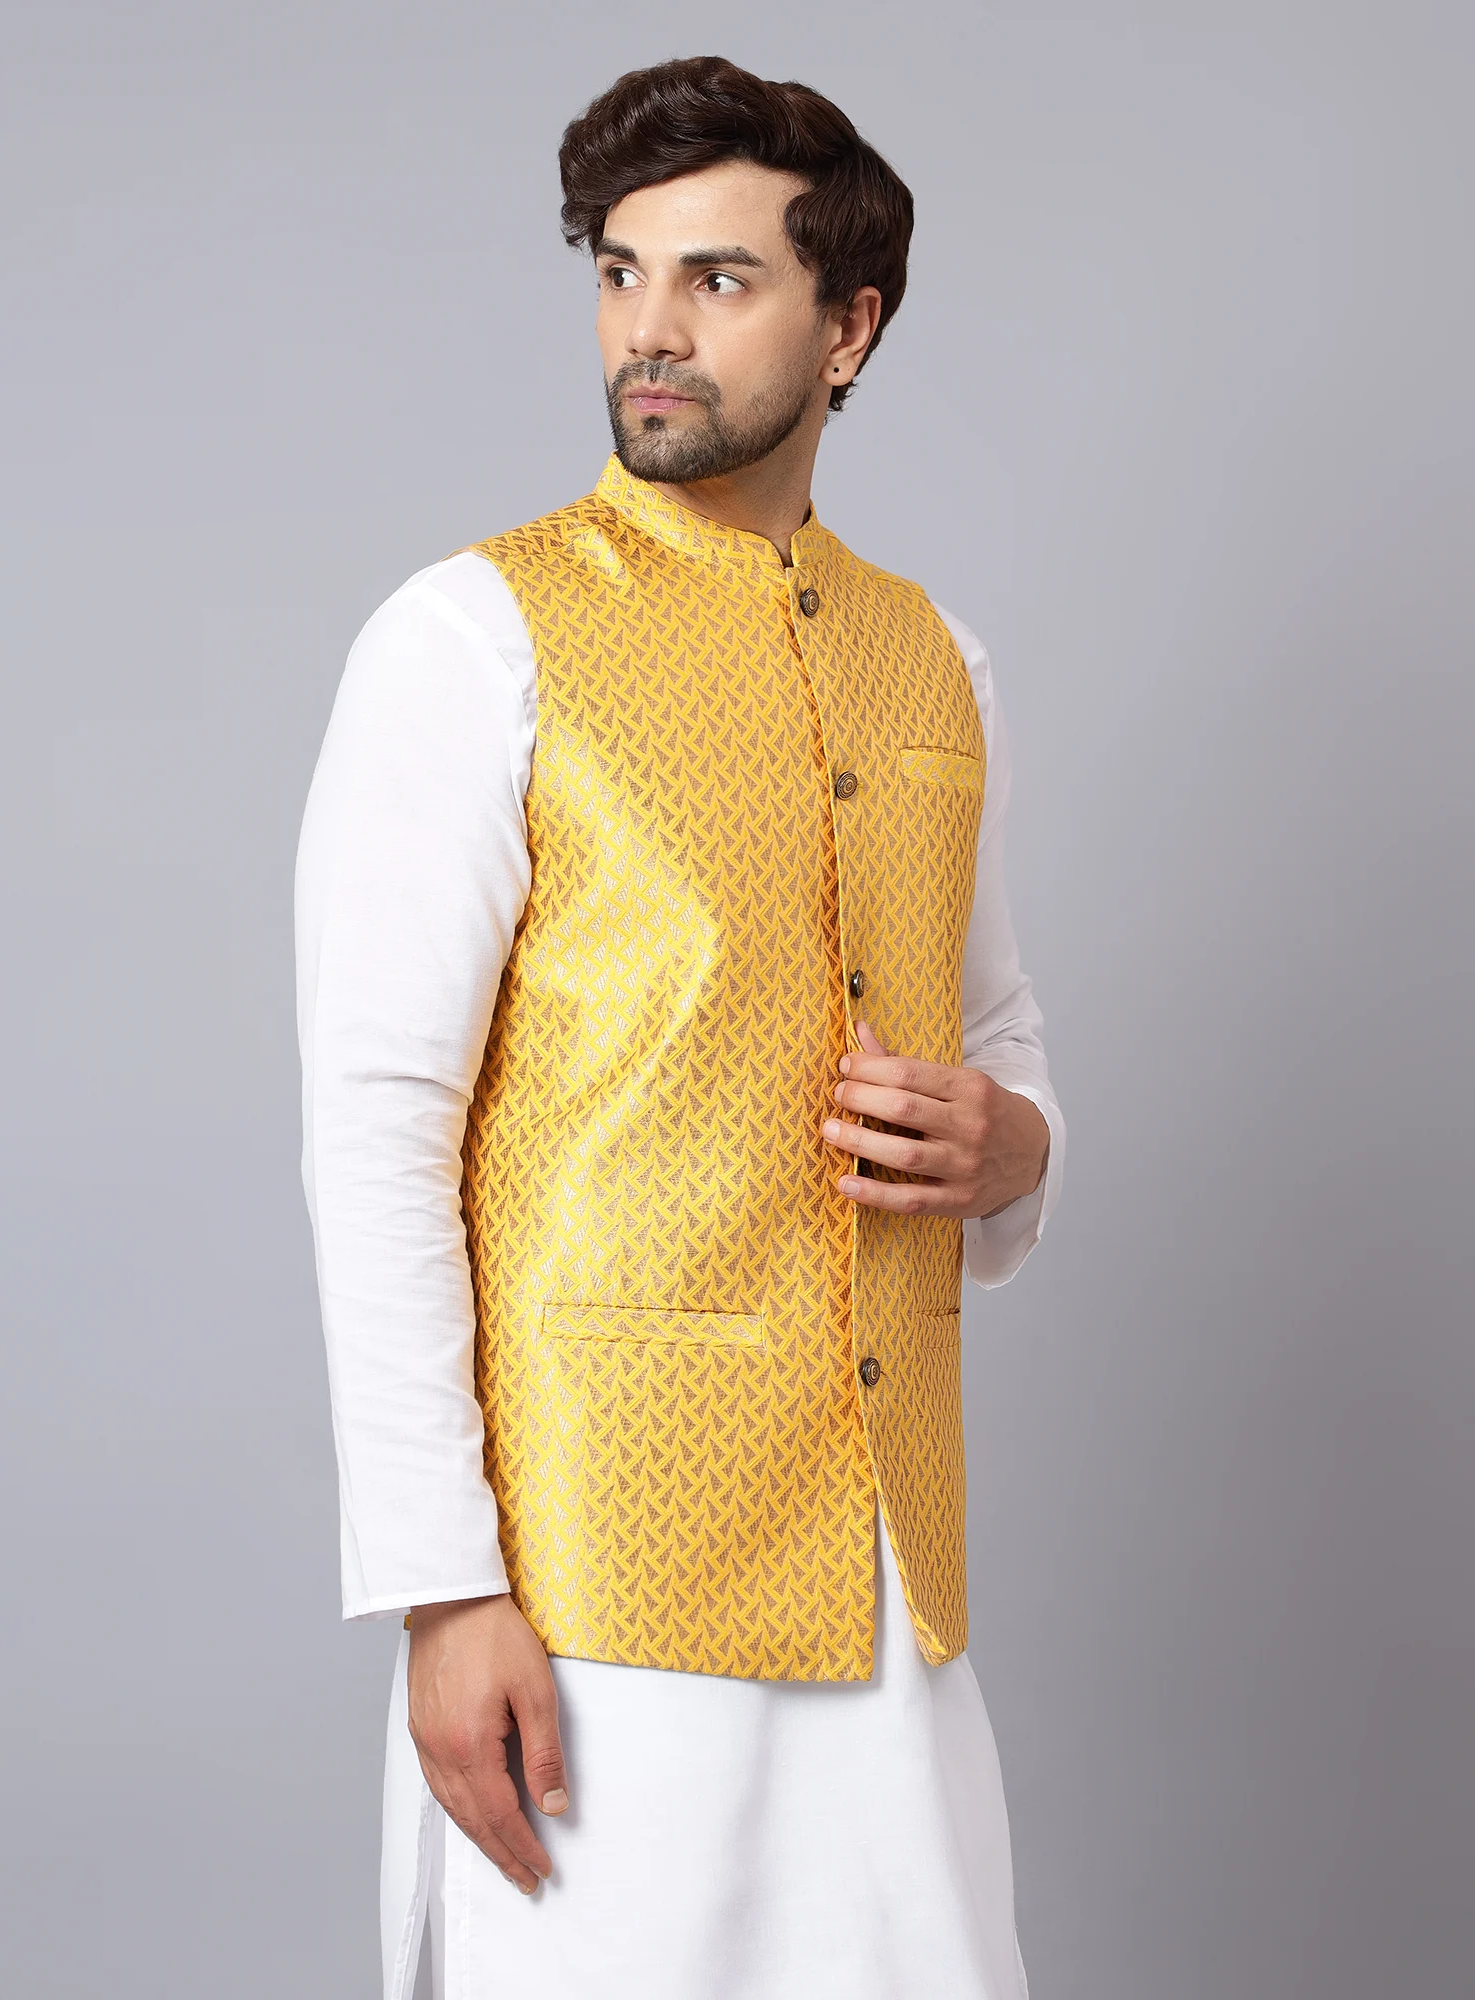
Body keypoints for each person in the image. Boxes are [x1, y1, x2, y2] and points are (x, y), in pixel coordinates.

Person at [296, 54, 1065, 2000]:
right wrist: (443, 1589)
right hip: (594, 1587)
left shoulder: (939, 660)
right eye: (621, 271)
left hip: (890, 1586)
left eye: (718, 280)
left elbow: (996, 1026)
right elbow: (377, 1131)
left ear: (848, 327)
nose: (650, 327)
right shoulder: (472, 639)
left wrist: (1013, 1145)